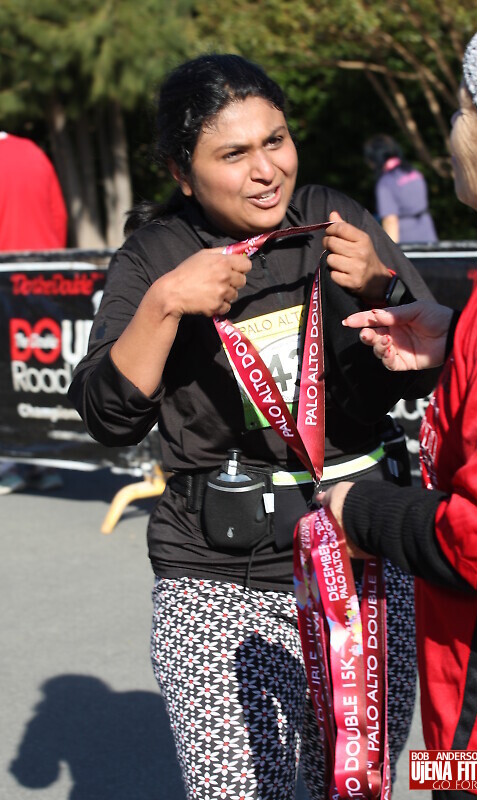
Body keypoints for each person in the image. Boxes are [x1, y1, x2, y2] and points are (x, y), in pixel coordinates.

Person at [68, 54, 440, 800]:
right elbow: (108, 417)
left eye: (275, 140)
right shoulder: (155, 257)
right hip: (218, 578)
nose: (266, 171)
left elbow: (421, 370)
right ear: (182, 172)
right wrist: (166, 305)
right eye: (233, 154)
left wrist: (382, 286)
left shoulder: (335, 216)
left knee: (356, 786)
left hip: (363, 561)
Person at [321, 3, 477, 798]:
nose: (450, 132)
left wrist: (358, 511)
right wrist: (465, 336)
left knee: (439, 779)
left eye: (463, 110)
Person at [0, 132, 68, 494]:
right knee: (37, 371)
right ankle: (45, 462)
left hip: (6, 280)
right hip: (45, 281)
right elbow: (58, 215)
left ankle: (8, 464)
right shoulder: (32, 152)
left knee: (7, 373)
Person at [364, 133, 438, 244]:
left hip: (406, 239)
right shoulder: (413, 172)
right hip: (427, 232)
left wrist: (391, 250)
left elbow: (390, 221)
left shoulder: (386, 182)